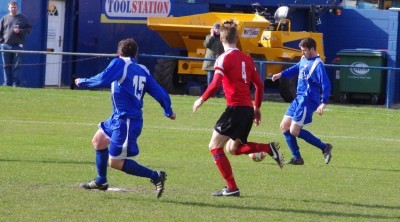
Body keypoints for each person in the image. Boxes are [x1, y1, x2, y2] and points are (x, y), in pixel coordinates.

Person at [73, 38, 176, 198]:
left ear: (118, 53)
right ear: (135, 54)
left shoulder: (120, 63)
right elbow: (158, 90)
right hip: (117, 118)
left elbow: (102, 79)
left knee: (115, 162)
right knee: (98, 141)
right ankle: (101, 181)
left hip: (127, 121)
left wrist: (82, 82)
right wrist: (168, 110)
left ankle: (156, 176)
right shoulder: (142, 69)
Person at [193, 19, 284, 197]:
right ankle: (268, 148)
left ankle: (232, 188)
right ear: (237, 39)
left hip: (235, 109)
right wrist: (256, 108)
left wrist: (201, 99)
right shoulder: (247, 59)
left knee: (214, 147)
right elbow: (259, 85)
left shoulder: (223, 58)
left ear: (221, 39)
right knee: (232, 149)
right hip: (247, 110)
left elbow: (215, 84)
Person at [271, 37, 332, 165]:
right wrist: (281, 74)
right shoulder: (304, 59)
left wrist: (323, 102)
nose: (302, 53)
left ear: (312, 49)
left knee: (294, 130)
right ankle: (297, 158)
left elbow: (325, 84)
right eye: (301, 50)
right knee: (284, 126)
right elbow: (296, 68)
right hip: (298, 99)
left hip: (307, 101)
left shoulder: (317, 64)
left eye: (304, 50)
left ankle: (324, 147)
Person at [0, 1, 32, 87]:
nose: (13, 9)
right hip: (5, 46)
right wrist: (2, 41)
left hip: (18, 45)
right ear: (8, 8)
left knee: (17, 66)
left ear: (17, 8)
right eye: (12, 7)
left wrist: (20, 31)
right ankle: (7, 83)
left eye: (15, 7)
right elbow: (0, 31)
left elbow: (29, 29)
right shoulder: (4, 18)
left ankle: (16, 84)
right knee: (6, 66)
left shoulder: (23, 18)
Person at [202, 23, 224, 94]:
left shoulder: (223, 37)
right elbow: (206, 44)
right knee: (210, 77)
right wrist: (212, 35)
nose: (217, 30)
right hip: (210, 61)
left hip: (219, 61)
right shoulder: (209, 37)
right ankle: (209, 92)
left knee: (218, 78)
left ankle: (218, 92)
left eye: (218, 29)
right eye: (215, 28)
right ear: (213, 29)